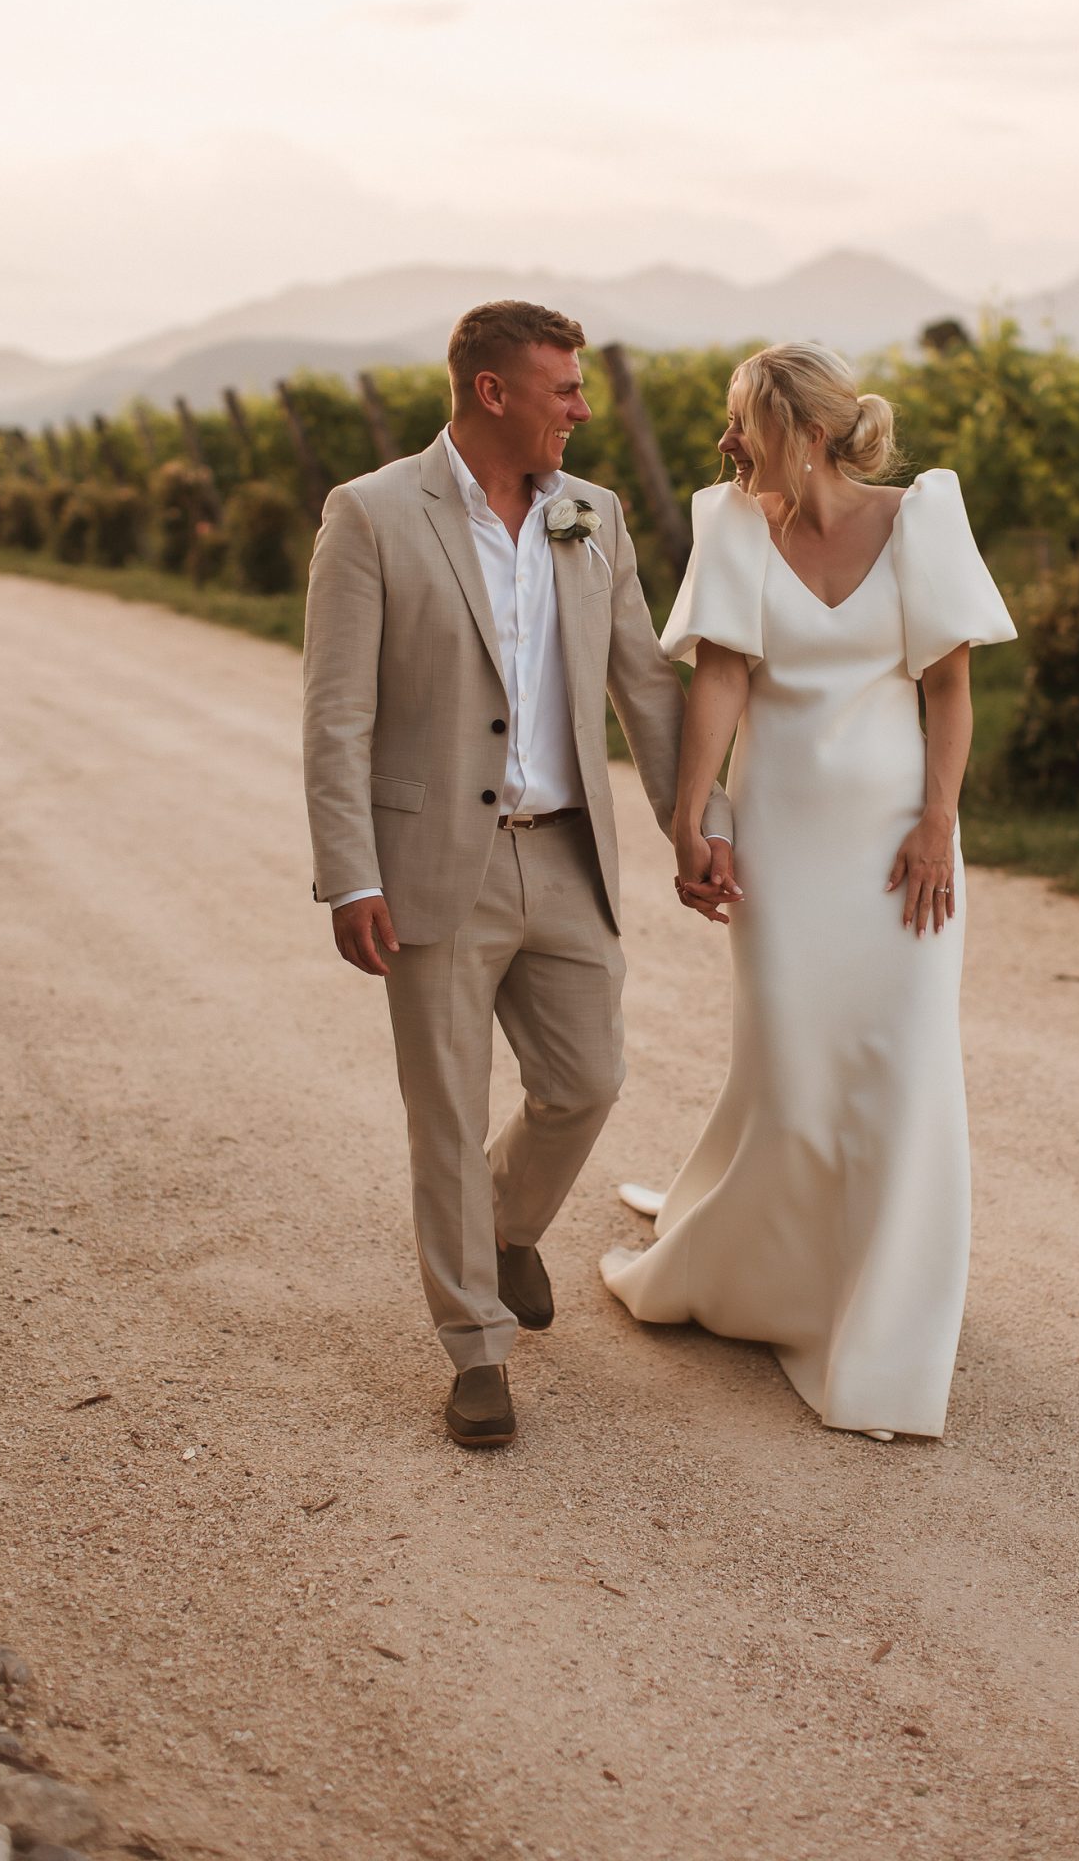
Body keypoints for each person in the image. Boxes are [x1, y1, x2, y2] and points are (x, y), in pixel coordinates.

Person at [302, 300, 735, 1449]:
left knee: (586, 1078)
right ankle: (476, 1350)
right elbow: (337, 715)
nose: (583, 408)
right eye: (565, 388)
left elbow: (644, 685)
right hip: (431, 862)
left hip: (563, 851)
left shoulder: (591, 516)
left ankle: (506, 1225)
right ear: (492, 392)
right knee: (444, 1112)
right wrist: (349, 874)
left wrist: (696, 821)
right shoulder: (374, 513)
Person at [601, 343, 1016, 1440]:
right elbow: (722, 677)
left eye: (742, 422)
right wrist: (695, 818)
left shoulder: (924, 516)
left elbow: (951, 686)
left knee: (903, 1065)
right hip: (782, 838)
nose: (727, 443)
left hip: (900, 849)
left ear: (806, 429)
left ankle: (887, 1331)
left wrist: (938, 822)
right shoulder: (735, 523)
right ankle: (770, 1272)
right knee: (791, 1066)